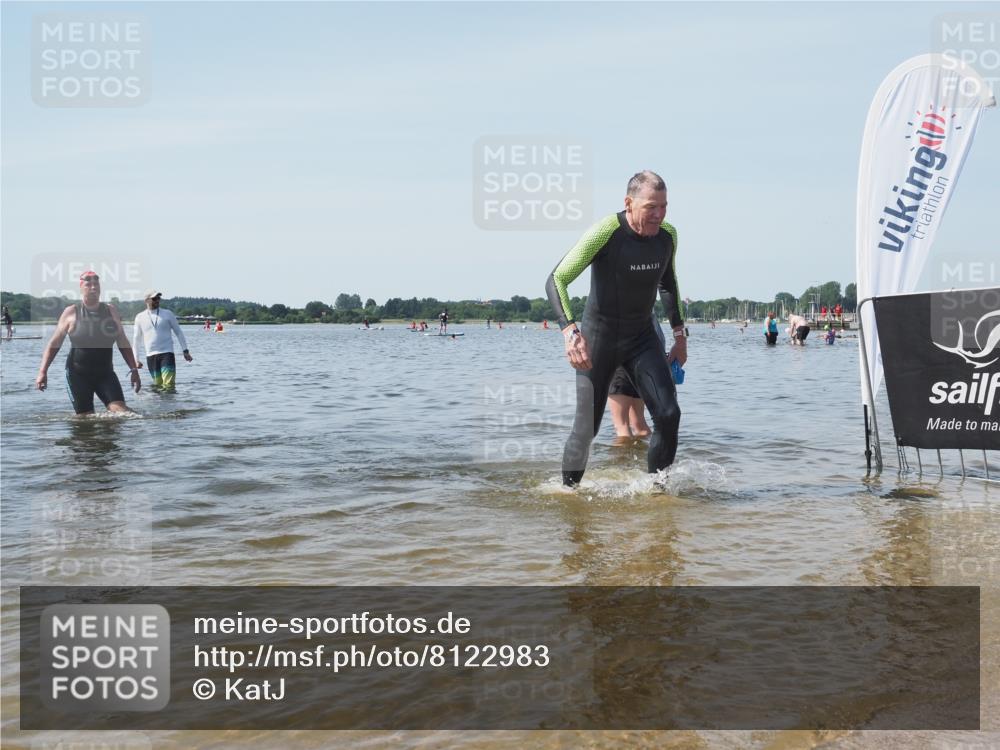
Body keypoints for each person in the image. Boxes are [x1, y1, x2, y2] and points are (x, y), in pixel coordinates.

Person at [545, 170, 685, 487]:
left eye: (664, 206)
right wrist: (570, 331)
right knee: (587, 428)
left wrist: (679, 335)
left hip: (642, 338)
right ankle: (568, 493)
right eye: (652, 206)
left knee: (668, 414)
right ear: (628, 203)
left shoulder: (668, 236)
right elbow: (557, 279)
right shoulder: (606, 232)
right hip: (599, 338)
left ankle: (657, 493)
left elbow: (669, 284)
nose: (659, 215)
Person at [35, 271, 141, 414]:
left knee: (122, 413)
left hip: (105, 373)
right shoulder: (71, 312)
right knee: (85, 421)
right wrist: (43, 371)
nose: (93, 287)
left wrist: (134, 369)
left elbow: (122, 341)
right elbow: (54, 344)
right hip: (77, 375)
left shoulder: (110, 311)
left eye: (96, 284)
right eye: (88, 284)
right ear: (81, 287)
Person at [132, 289, 192, 391]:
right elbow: (136, 340)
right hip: (151, 356)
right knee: (158, 386)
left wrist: (185, 351)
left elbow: (179, 332)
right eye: (154, 298)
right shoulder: (140, 317)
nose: (157, 300)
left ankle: (170, 406)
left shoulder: (168, 314)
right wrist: (136, 360)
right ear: (146, 300)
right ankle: (160, 407)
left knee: (168, 385)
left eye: (159, 298)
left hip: (167, 353)